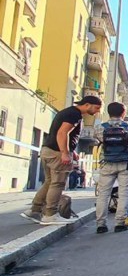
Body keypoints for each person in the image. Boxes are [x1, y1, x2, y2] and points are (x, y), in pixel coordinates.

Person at [22, 95, 103, 225]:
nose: (97, 111)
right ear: (87, 104)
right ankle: (50, 214)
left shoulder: (67, 112)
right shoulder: (74, 114)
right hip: (57, 153)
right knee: (57, 183)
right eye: (97, 107)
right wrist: (65, 153)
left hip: (48, 149)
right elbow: (62, 133)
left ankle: (34, 210)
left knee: (49, 182)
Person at [94, 102, 128, 234]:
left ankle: (101, 224)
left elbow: (99, 142)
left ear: (108, 112)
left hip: (107, 163)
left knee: (103, 194)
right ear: (123, 113)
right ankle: (119, 223)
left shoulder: (99, 128)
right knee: (124, 193)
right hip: (126, 164)